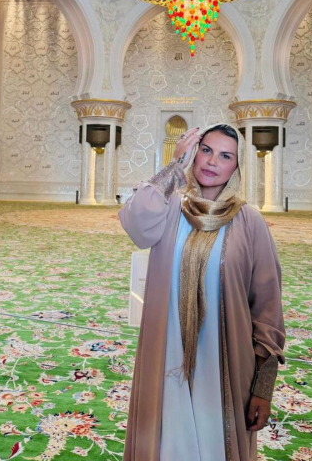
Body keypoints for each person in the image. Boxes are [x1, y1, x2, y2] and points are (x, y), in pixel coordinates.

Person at [119, 123, 285, 461]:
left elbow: (267, 306)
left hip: (224, 362)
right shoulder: (169, 209)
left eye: (225, 156)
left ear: (237, 166)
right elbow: (136, 223)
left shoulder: (249, 222)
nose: (212, 162)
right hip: (167, 356)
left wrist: (263, 388)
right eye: (206, 150)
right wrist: (174, 166)